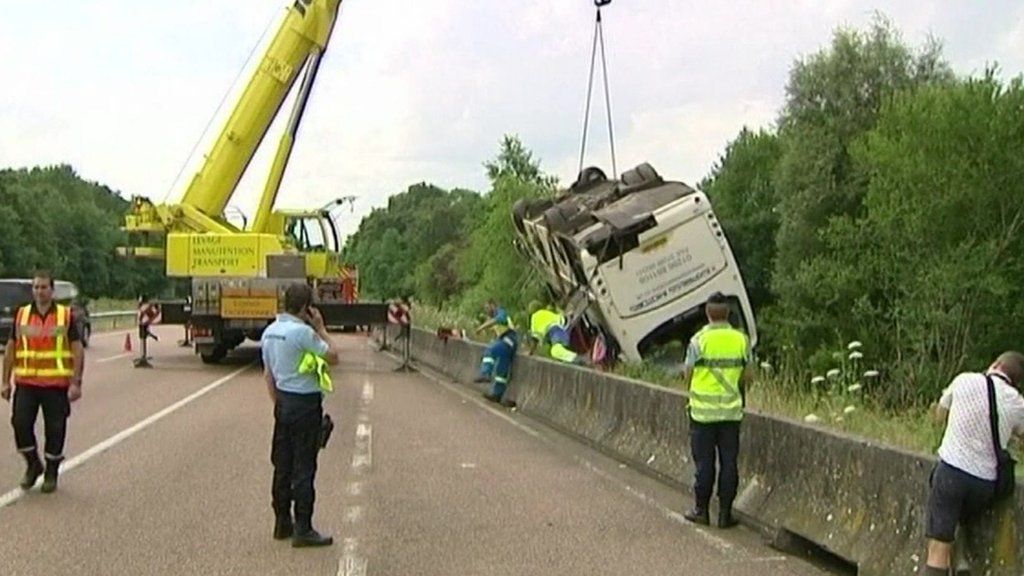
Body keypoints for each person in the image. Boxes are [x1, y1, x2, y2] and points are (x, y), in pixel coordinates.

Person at [922, 351, 1024, 575]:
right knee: (963, 520)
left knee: (939, 544)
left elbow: (939, 416)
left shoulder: (965, 380)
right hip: (985, 485)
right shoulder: (1018, 403)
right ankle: (961, 562)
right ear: (1016, 381)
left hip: (952, 474)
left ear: (995, 364)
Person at [261, 283, 340, 548]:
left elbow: (268, 376)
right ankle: (303, 528)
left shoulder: (270, 333)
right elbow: (333, 357)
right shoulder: (303, 333)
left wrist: (279, 405)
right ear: (307, 308)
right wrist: (321, 328)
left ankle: (282, 521)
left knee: (282, 465)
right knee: (304, 466)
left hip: (283, 403)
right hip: (305, 405)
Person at [1, 271, 85, 493]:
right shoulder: (22, 314)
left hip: (55, 385)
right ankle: (33, 464)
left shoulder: (65, 316)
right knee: (20, 424)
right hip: (26, 382)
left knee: (55, 430)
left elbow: (77, 349)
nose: (40, 291)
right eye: (36, 287)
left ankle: (51, 472)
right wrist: (5, 381)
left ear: (52, 290)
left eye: (44, 287)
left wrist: (76, 382)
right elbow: (11, 349)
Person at [680, 291, 752, 529]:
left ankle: (701, 509)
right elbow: (748, 377)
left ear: (708, 314)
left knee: (704, 463)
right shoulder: (741, 340)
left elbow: (688, 375)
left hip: (702, 413)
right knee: (729, 462)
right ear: (728, 313)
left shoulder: (698, 341)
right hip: (731, 413)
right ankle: (725, 514)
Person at [473, 299, 518, 406]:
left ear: (493, 305)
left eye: (487, 307)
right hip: (506, 342)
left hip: (509, 339)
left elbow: (499, 320)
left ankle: (486, 373)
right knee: (501, 370)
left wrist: (481, 328)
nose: (486, 310)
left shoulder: (501, 312)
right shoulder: (495, 317)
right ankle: (497, 394)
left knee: (491, 350)